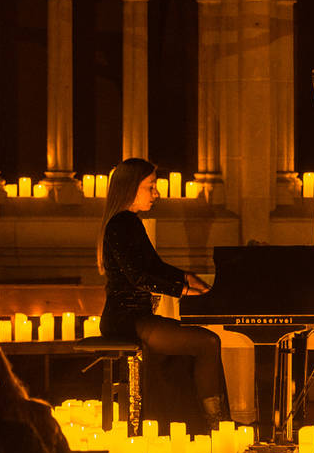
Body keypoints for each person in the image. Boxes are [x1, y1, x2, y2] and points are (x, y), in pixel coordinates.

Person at [98, 158, 228, 434]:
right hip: (126, 318)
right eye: (151, 187)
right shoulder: (121, 224)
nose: (156, 194)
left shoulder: (128, 223)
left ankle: (199, 422)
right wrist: (182, 289)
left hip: (135, 317)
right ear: (130, 187)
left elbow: (154, 267)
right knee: (207, 342)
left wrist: (188, 278)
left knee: (203, 342)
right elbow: (139, 276)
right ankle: (213, 425)